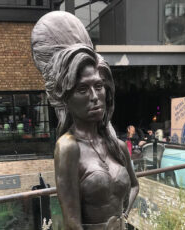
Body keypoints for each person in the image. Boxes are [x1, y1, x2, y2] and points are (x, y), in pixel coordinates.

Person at [31, 11, 139, 230]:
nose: (94, 96)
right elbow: (72, 222)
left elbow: (135, 186)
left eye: (98, 87)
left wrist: (123, 217)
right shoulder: (68, 148)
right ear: (66, 98)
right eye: (82, 89)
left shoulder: (116, 145)